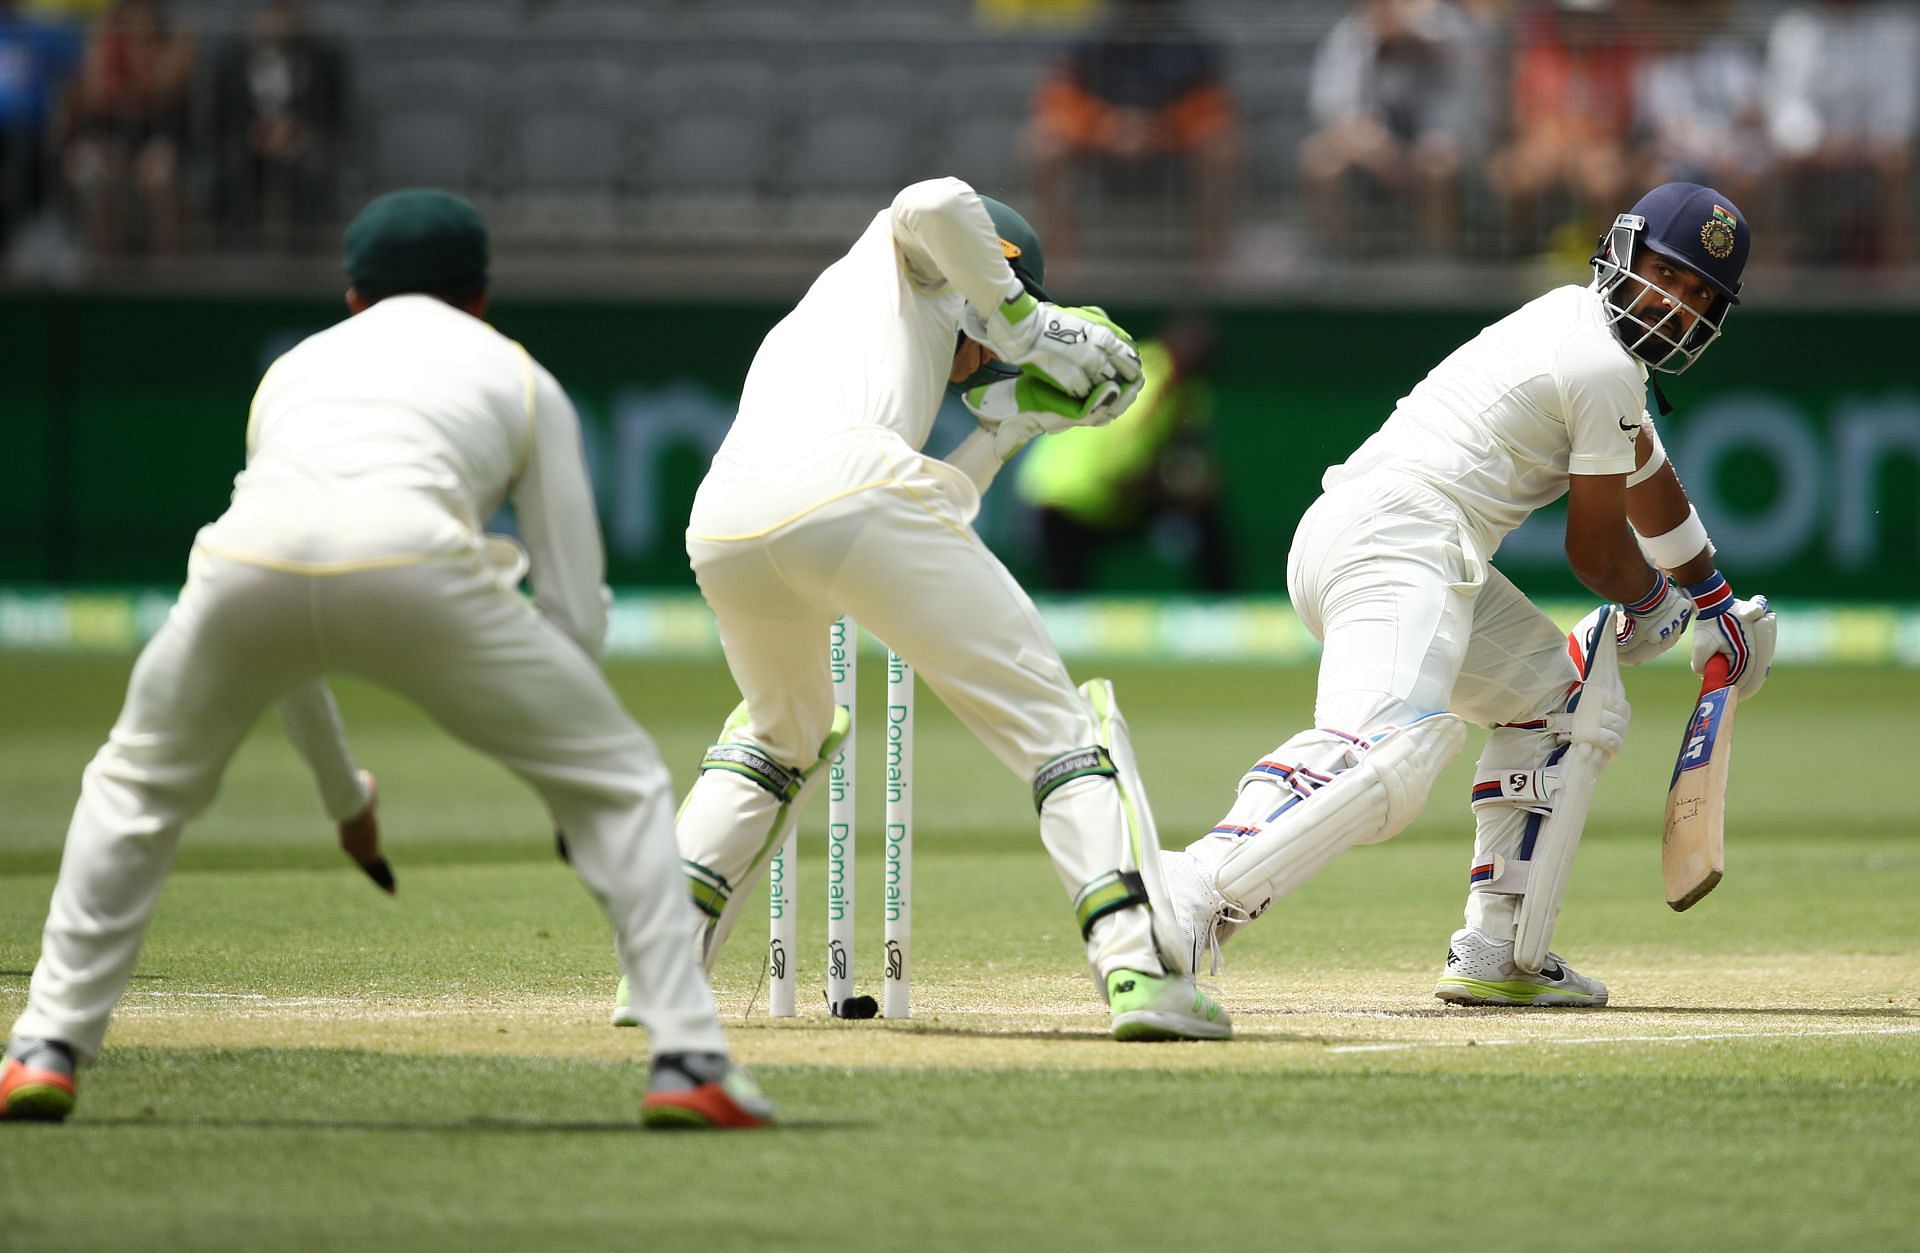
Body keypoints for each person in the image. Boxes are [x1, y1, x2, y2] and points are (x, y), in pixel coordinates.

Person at [0, 190, 771, 1129]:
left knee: (133, 787)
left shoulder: (291, 372)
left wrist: (344, 802)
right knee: (624, 781)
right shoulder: (520, 375)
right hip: (421, 563)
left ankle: (44, 1045)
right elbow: (573, 605)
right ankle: (687, 1057)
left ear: (353, 298)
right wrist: (571, 769)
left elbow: (293, 615)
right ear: (481, 299)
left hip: (242, 568)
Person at [614, 176, 1229, 1041]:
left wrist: (1009, 429)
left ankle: (657, 966)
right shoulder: (917, 262)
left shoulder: (840, 331)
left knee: (780, 733)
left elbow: (912, 523)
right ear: (991, 274)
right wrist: (1029, 321)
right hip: (846, 497)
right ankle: (1139, 969)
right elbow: (933, 198)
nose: (989, 362)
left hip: (726, 528)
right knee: (1060, 729)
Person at [1158, 183, 1779, 1006]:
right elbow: (1595, 551)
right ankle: (1180, 896)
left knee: (1560, 704)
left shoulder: (1584, 334)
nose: (1676, 305)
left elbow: (1650, 481)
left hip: (1396, 541)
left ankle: (1499, 950)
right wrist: (1656, 607)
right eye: (1667, 273)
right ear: (1623, 250)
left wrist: (1717, 604)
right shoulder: (1598, 361)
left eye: (1701, 295)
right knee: (1382, 750)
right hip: (1401, 537)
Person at [1015, 313, 1234, 592]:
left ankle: (1220, 607)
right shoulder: (1151, 384)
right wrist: (1172, 491)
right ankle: (1219, 603)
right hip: (1060, 505)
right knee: (1069, 605)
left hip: (1066, 500)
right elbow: (1120, 474)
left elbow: (1195, 458)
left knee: (1200, 515)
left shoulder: (1183, 388)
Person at [1027, 0, 1239, 264]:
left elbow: (1212, 107)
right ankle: (1058, 261)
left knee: (1223, 147)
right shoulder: (1089, 40)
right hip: (1098, 146)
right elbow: (1058, 99)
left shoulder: (1192, 44)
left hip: (1174, 147)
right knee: (1043, 145)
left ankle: (1210, 263)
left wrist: (1160, 129)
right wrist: (1105, 127)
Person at [1298, 0, 1482, 256]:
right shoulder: (1351, 34)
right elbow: (1334, 110)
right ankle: (1333, 260)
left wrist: (1427, 147)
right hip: (1374, 150)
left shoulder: (1449, 28)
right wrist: (1377, 150)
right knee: (1320, 160)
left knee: (1439, 166)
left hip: (1432, 145)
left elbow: (1459, 110)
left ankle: (1436, 262)